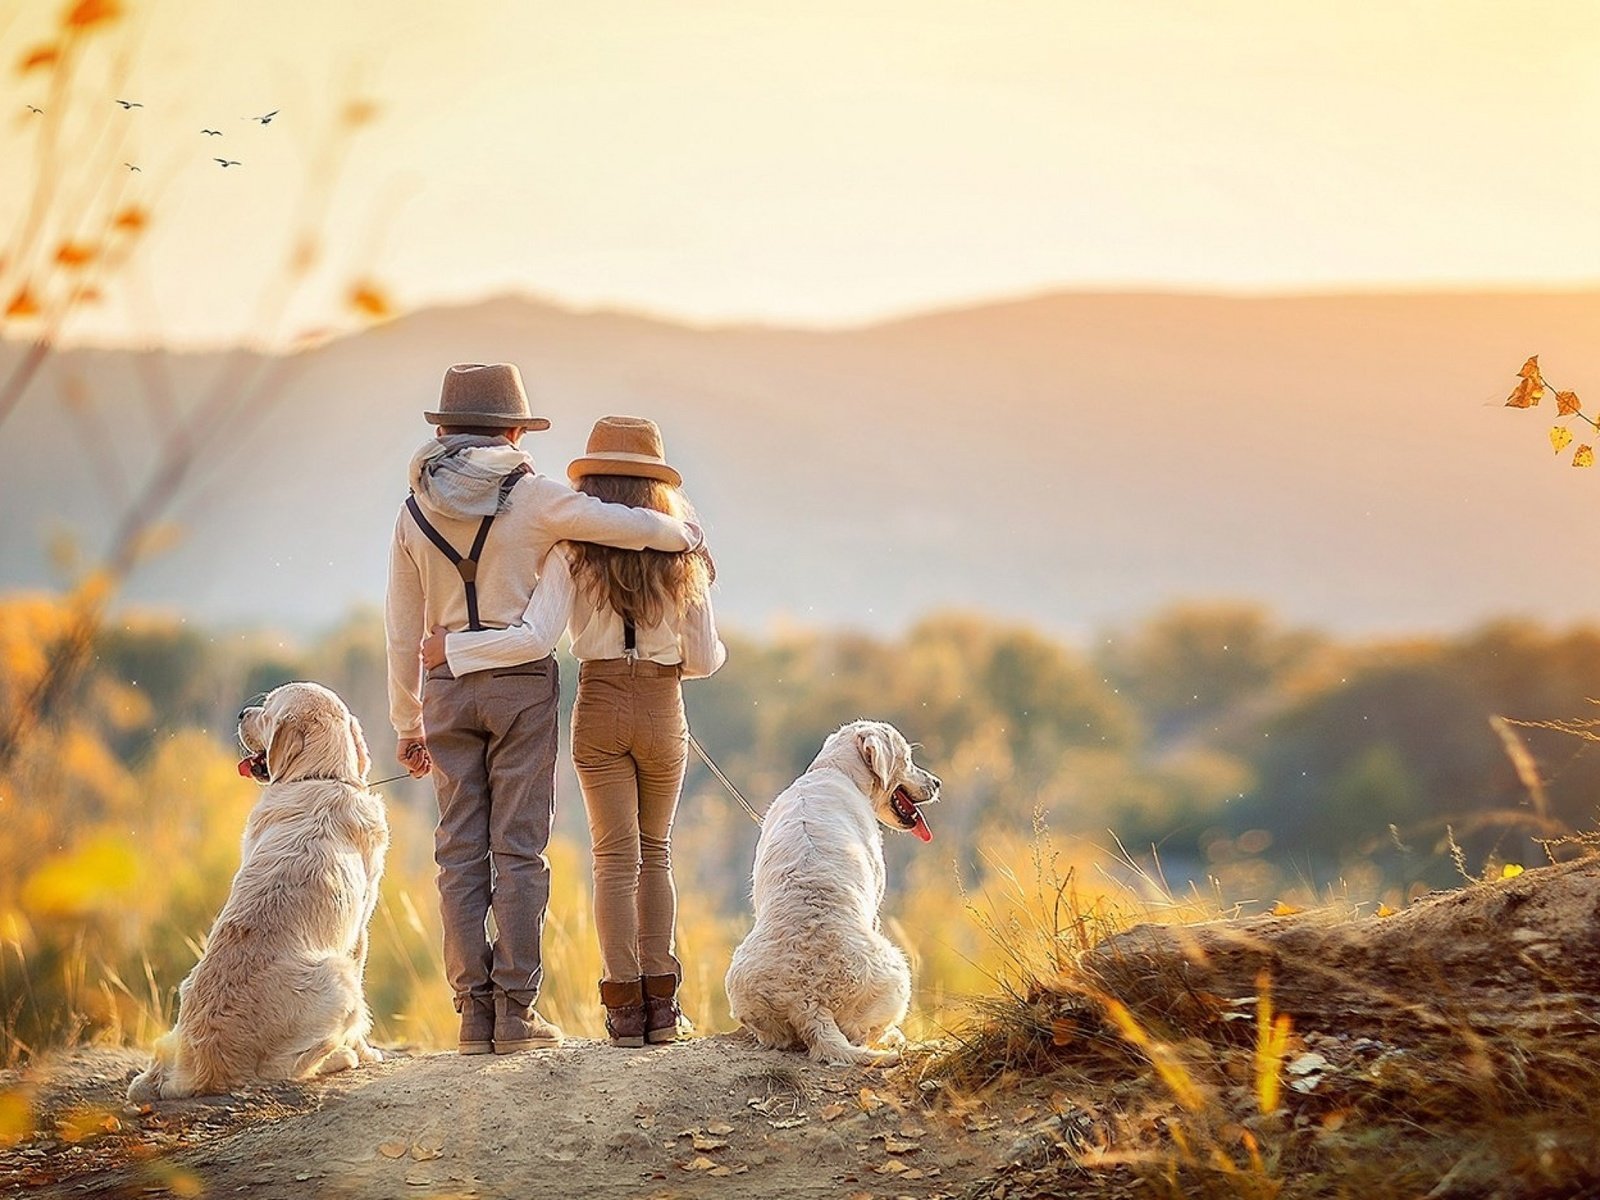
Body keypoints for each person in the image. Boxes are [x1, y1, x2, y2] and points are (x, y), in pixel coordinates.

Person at [385, 367, 702, 1056]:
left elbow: (401, 628)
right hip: (523, 688)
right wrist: (687, 532)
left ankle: (473, 1015)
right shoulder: (539, 502)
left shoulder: (412, 511)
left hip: (444, 689)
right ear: (516, 431)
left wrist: (408, 722)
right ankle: (517, 1014)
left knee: (458, 853)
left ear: (442, 431)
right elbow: (634, 528)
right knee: (521, 852)